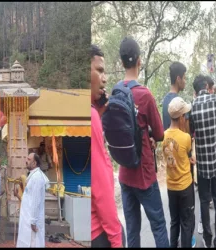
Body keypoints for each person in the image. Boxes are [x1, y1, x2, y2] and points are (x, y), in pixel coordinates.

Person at [118, 37, 169, 248]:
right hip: (144, 175)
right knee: (158, 226)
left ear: (122, 63)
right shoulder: (145, 94)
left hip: (124, 173)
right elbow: (159, 134)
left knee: (132, 230)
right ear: (139, 61)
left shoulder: (116, 91)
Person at [90, 44, 124, 248]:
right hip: (100, 231)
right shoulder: (91, 115)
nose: (105, 78)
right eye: (100, 70)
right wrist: (116, 238)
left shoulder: (92, 113)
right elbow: (101, 186)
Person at [161, 61, 196, 248]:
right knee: (186, 222)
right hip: (184, 185)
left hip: (170, 185)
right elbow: (188, 155)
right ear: (182, 117)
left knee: (174, 222)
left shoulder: (164, 135)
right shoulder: (186, 138)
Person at [189, 74, 216, 248]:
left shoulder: (192, 106)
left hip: (202, 166)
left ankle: (208, 239)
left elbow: (192, 133)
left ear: (195, 90)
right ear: (206, 85)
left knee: (204, 202)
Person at [16, 153, 49, 248]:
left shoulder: (37, 178)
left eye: (29, 159)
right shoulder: (33, 176)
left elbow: (36, 201)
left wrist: (33, 222)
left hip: (32, 223)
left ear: (34, 163)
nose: (26, 160)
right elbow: (28, 199)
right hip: (28, 222)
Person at [0, 153, 10, 244]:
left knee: (3, 216)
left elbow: (6, 182)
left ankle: (2, 235)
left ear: (0, 160)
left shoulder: (4, 170)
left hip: (3, 194)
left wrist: (8, 194)